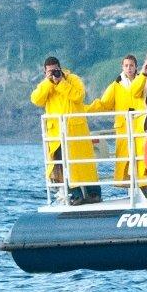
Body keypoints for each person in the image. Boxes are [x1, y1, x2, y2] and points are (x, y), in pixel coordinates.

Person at [31, 57, 98, 203]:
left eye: (56, 70)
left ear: (60, 68)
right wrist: (49, 83)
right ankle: (75, 195)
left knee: (84, 163)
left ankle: (94, 193)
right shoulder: (45, 86)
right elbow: (36, 100)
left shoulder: (73, 79)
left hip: (75, 130)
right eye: (50, 71)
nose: (53, 73)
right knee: (62, 165)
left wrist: (61, 83)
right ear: (45, 72)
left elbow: (78, 96)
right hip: (57, 133)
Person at [86, 54, 145, 182]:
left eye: (131, 66)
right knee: (125, 159)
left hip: (141, 125)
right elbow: (104, 103)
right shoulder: (116, 85)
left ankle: (145, 186)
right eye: (126, 65)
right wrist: (85, 109)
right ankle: (129, 187)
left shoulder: (143, 81)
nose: (129, 68)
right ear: (122, 67)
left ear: (136, 67)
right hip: (123, 127)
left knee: (142, 156)